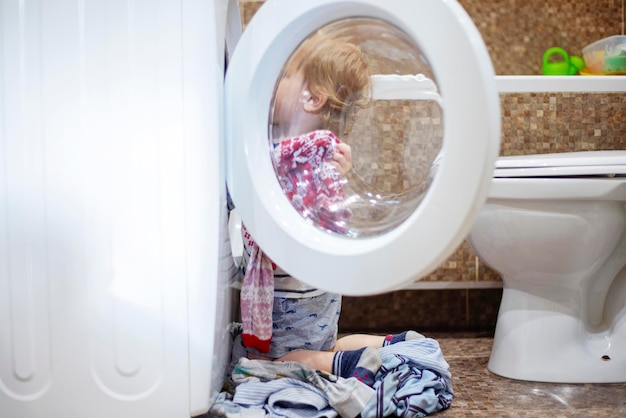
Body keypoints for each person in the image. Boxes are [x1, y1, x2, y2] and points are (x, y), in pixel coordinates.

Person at [237, 32, 422, 386]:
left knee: (276, 362)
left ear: (312, 98)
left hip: (292, 300)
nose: (276, 82)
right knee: (325, 341)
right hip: (317, 295)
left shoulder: (291, 155)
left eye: (286, 75)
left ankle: (346, 364)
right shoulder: (317, 153)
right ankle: (392, 344)